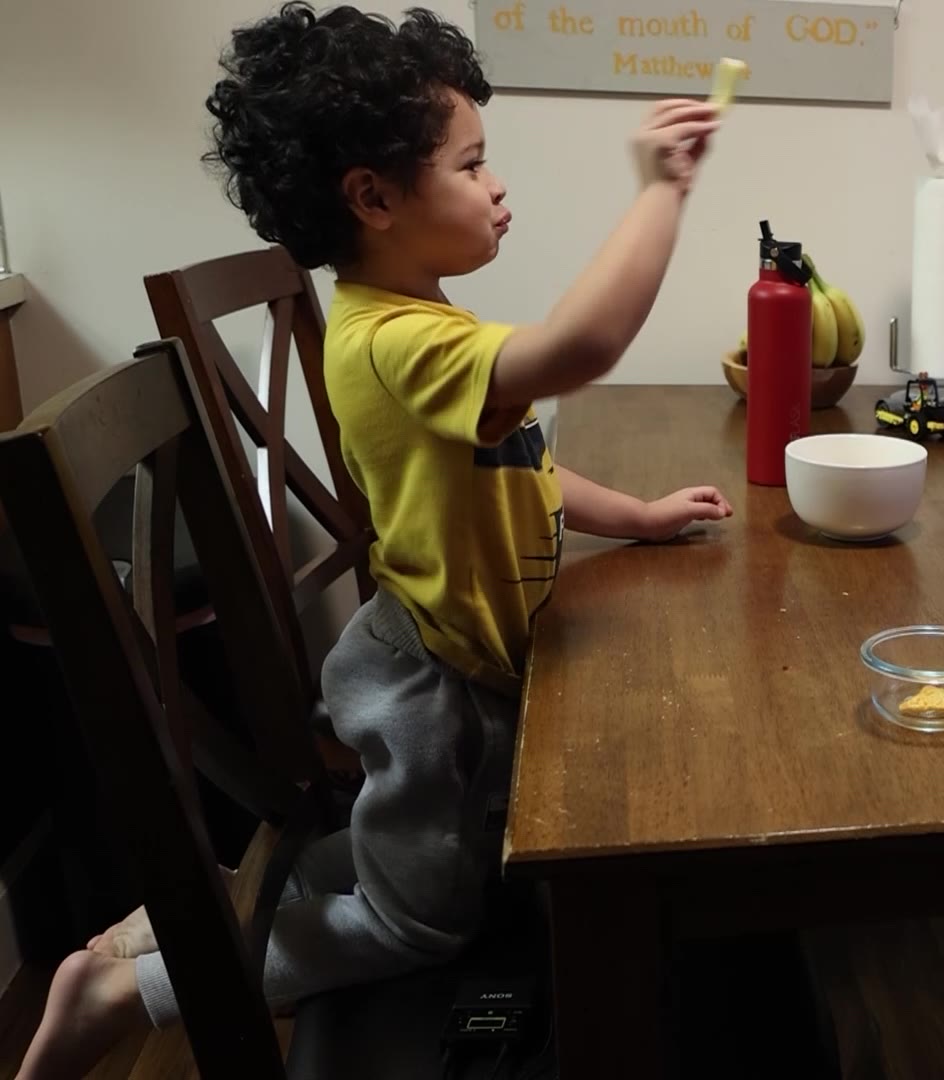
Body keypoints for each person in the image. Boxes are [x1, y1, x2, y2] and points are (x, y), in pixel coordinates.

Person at [21, 5, 737, 1074]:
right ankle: (128, 995)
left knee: (412, 857)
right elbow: (587, 342)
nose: (498, 187)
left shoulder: (418, 323)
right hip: (432, 689)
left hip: (448, 662)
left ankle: (171, 924)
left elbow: (525, 466)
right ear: (374, 198)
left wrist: (637, 516)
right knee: (422, 921)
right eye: (473, 163)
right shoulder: (396, 342)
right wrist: (663, 191)